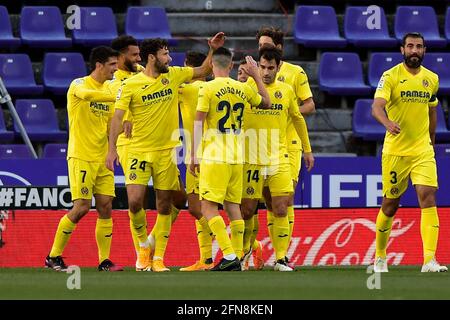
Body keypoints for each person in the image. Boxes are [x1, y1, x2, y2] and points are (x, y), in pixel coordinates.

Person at [107, 33, 225, 272]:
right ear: (153, 58)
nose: (169, 59)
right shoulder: (129, 85)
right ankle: (143, 246)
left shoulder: (173, 75)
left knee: (164, 205)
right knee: (135, 203)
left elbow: (202, 71)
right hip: (138, 150)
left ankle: (158, 258)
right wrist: (110, 150)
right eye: (165, 54)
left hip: (166, 152)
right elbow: (117, 117)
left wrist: (212, 49)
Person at [372, 32, 447, 273]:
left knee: (428, 196)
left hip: (422, 150)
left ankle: (429, 260)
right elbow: (377, 107)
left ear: (424, 51)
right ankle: (380, 256)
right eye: (410, 46)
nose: (414, 50)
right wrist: (387, 123)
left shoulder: (431, 79)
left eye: (419, 47)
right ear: (402, 50)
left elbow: (432, 110)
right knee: (390, 204)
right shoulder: (390, 76)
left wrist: (432, 141)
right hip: (396, 151)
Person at [190, 47, 271, 271]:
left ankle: (228, 255)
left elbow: (198, 121)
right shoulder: (242, 88)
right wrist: (256, 76)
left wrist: (193, 155)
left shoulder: (207, 87)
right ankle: (237, 257)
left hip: (215, 155)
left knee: (207, 208)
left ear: (212, 65)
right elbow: (267, 102)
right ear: (232, 65)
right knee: (233, 207)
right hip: (237, 157)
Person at [110, 35, 184, 270]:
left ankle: (152, 247)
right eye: (133, 55)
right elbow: (118, 111)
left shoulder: (148, 71)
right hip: (132, 145)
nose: (138, 58)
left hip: (161, 146)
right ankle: (142, 251)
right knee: (135, 200)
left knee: (175, 200)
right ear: (121, 57)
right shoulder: (117, 81)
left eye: (139, 54)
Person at [45, 46, 122, 272]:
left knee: (106, 205)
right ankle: (53, 256)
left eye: (117, 65)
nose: (115, 70)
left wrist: (112, 150)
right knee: (81, 207)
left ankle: (104, 261)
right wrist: (118, 95)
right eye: (111, 65)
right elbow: (89, 96)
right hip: (81, 155)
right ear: (99, 65)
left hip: (102, 158)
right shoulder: (78, 84)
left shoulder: (110, 87)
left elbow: (110, 124)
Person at [241, 45, 314, 271]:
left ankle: (281, 258)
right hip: (251, 159)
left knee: (281, 207)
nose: (265, 72)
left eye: (270, 67)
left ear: (278, 67)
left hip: (278, 158)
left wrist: (307, 149)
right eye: (262, 67)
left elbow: (298, 119)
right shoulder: (247, 88)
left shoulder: (286, 90)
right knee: (247, 211)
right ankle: (244, 252)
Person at [178, 51, 215, 271]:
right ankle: (207, 260)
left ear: (187, 67)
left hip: (196, 156)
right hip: (216, 153)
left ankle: (216, 254)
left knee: (196, 207)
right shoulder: (213, 88)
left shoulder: (186, 89)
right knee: (219, 207)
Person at [236, 59, 264, 270]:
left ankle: (244, 252)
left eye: (247, 73)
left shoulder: (255, 93)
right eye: (239, 72)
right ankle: (252, 246)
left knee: (248, 210)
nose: (242, 75)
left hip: (253, 157)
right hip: (230, 158)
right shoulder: (230, 92)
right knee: (232, 209)